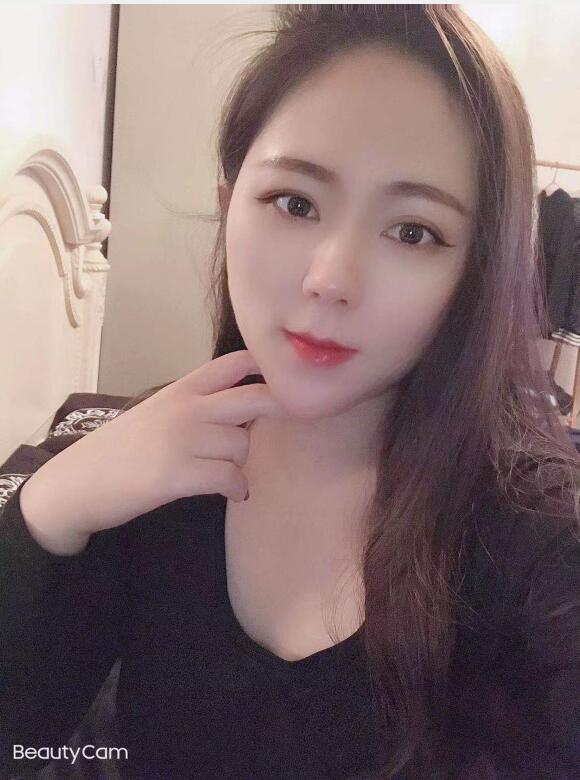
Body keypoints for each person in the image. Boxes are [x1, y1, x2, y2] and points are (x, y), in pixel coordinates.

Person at [1, 5, 579, 779]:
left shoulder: (535, 545)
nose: (331, 279)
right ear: (228, 203)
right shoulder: (140, 471)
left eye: (413, 231)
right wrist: (49, 508)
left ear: (474, 273)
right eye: (295, 203)